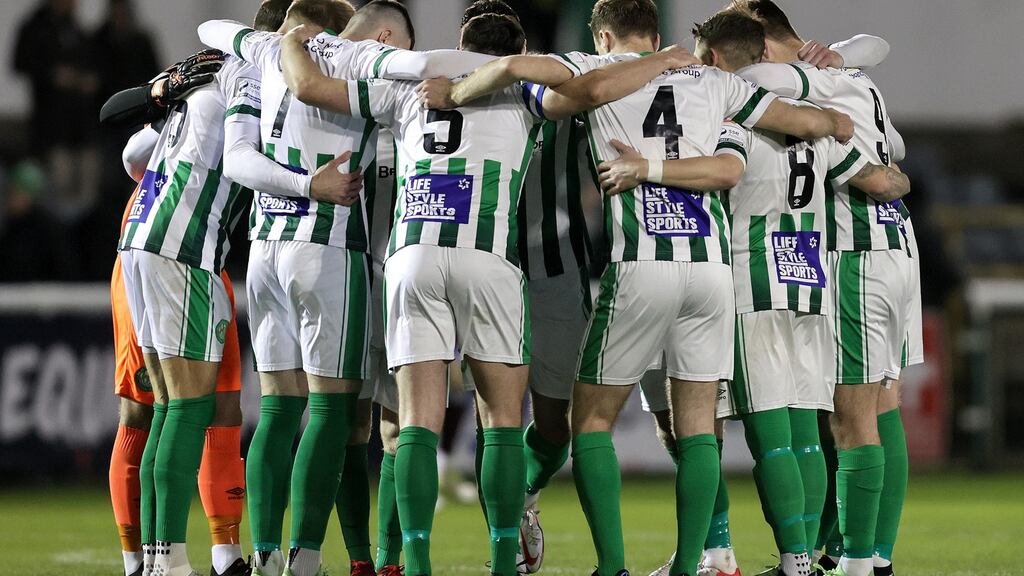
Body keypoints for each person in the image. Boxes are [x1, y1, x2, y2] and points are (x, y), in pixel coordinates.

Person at [415, 0, 855, 573]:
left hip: (640, 262)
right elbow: (807, 124)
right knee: (696, 426)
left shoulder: (593, 68)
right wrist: (833, 116)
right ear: (655, 31)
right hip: (711, 271)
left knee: (591, 418)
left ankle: (611, 566)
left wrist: (460, 88)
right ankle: (699, 559)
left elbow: (532, 72)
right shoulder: (713, 80)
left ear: (603, 35)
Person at [279, 8, 695, 574]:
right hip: (489, 258)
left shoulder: (406, 89)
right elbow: (587, 87)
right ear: (515, 47)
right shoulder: (526, 91)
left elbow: (309, 87)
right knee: (501, 418)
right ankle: (502, 561)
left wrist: (288, 40)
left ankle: (411, 563)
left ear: (459, 43)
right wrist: (662, 59)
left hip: (413, 258)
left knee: (415, 423)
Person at [603, 12, 908, 576]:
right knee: (807, 434)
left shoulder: (730, 110)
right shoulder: (814, 120)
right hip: (812, 275)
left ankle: (789, 561)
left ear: (717, 61)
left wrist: (643, 166)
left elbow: (721, 169)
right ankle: (815, 558)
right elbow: (881, 177)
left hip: (751, 276)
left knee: (764, 433)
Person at [196, 2, 419, 575]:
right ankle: (306, 556)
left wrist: (279, 36)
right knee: (332, 411)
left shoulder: (269, 55)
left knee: (276, 409)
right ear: (388, 35)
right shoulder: (363, 61)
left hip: (265, 250)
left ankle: (265, 553)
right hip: (327, 246)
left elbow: (211, 28)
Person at [726, 3, 919, 575]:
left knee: (851, 416)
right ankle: (863, 552)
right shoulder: (852, 78)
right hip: (897, 245)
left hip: (855, 251)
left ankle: (861, 562)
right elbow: (897, 146)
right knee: (883, 404)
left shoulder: (798, 80)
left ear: (762, 40)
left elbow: (748, 83)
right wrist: (844, 57)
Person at [13, 0, 100, 222]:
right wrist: (53, 75)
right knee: (56, 194)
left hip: (81, 128)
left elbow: (91, 65)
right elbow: (20, 62)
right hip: (52, 128)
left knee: (86, 195)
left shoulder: (76, 28)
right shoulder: (35, 26)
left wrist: (86, 80)